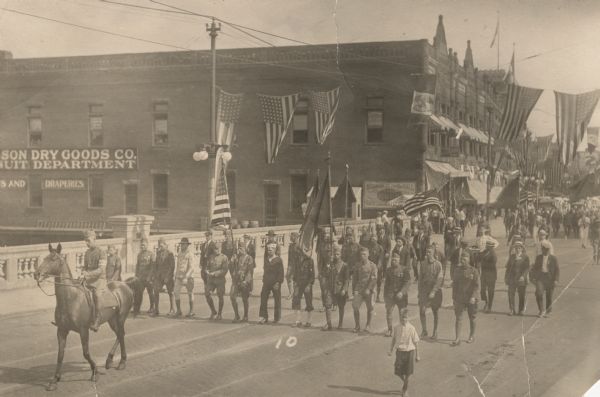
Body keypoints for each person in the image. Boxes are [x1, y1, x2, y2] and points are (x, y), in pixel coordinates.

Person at [388, 308, 420, 397]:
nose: (403, 319)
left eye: (405, 318)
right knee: (398, 371)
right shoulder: (397, 327)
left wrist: (418, 355)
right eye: (402, 318)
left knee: (408, 372)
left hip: (409, 351)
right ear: (400, 317)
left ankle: (405, 389)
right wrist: (390, 350)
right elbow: (394, 339)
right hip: (399, 351)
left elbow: (416, 342)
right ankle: (406, 383)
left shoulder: (412, 328)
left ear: (408, 318)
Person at [451, 246, 479, 345]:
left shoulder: (474, 271)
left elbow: (476, 286)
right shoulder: (457, 270)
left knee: (472, 317)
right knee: (458, 317)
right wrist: (453, 298)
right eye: (462, 258)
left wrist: (473, 297)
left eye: (465, 258)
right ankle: (457, 338)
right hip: (460, 297)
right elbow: (454, 285)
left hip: (471, 298)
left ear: (469, 259)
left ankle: (471, 336)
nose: (463, 260)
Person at [82, 230, 107, 332]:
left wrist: (88, 274)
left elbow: (101, 270)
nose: (87, 243)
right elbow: (85, 267)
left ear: (94, 239)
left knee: (97, 295)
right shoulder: (87, 253)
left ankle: (97, 318)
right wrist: (82, 272)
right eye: (86, 241)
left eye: (88, 241)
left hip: (99, 280)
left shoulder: (101, 252)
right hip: (88, 279)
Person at [321, 244, 350, 330]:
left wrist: (344, 289)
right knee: (327, 305)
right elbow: (325, 275)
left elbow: (347, 279)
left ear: (340, 254)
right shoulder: (330, 264)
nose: (336, 256)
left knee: (341, 306)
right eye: (335, 254)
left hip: (340, 289)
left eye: (338, 254)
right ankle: (329, 324)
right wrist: (327, 266)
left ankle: (340, 323)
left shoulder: (345, 265)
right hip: (330, 288)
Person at [418, 245, 443, 339]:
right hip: (424, 291)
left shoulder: (438, 264)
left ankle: (435, 331)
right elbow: (420, 279)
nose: (428, 254)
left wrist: (433, 291)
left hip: (435, 292)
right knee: (422, 311)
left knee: (435, 312)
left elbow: (439, 280)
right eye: (427, 252)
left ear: (433, 253)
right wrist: (419, 292)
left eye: (429, 252)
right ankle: (424, 331)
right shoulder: (423, 264)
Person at [384, 252, 411, 337]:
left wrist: (402, 292)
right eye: (393, 259)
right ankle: (389, 329)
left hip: (401, 296)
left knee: (402, 313)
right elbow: (386, 284)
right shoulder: (388, 270)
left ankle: (403, 330)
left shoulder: (404, 269)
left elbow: (407, 282)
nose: (394, 261)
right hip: (390, 295)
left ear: (399, 260)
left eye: (396, 259)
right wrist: (385, 296)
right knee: (389, 312)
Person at [530, 240, 560, 317]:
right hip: (541, 278)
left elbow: (557, 270)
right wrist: (533, 277)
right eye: (543, 249)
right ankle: (541, 310)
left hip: (550, 279)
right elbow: (535, 268)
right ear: (542, 249)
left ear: (549, 250)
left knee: (549, 296)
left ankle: (548, 311)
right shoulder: (538, 258)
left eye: (547, 250)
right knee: (538, 293)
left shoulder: (554, 258)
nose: (545, 251)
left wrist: (556, 280)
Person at [352, 247, 378, 333]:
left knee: (370, 308)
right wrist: (354, 290)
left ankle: (368, 325)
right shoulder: (357, 265)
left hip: (369, 290)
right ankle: (357, 325)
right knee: (355, 306)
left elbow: (374, 279)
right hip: (359, 289)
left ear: (368, 255)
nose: (362, 256)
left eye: (364, 254)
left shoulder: (372, 266)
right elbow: (354, 279)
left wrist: (369, 289)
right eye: (361, 254)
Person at [229, 240, 255, 322]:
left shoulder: (249, 258)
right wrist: (231, 261)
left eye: (242, 248)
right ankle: (236, 315)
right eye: (239, 248)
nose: (240, 250)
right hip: (236, 280)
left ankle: (246, 315)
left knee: (244, 299)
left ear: (245, 249)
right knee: (232, 296)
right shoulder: (236, 257)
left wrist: (245, 281)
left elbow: (250, 272)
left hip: (245, 281)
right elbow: (231, 268)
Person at [259, 242, 284, 324]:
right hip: (266, 282)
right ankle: (263, 317)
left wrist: (278, 282)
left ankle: (277, 317)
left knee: (277, 299)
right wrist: (264, 279)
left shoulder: (278, 260)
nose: (269, 251)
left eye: (271, 249)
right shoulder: (266, 259)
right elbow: (265, 269)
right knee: (263, 298)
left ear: (274, 250)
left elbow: (281, 273)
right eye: (268, 249)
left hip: (275, 282)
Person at [204, 242, 229, 320]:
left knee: (220, 296)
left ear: (221, 248)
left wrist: (215, 273)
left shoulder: (224, 258)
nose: (216, 250)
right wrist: (207, 271)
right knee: (207, 294)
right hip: (211, 280)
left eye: (218, 249)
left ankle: (219, 313)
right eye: (215, 249)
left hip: (220, 280)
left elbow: (224, 270)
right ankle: (213, 311)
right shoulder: (211, 257)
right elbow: (207, 267)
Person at [504, 241, 529, 316]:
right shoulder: (512, 256)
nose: (517, 249)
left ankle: (521, 310)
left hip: (521, 278)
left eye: (519, 248)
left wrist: (523, 276)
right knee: (510, 294)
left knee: (521, 294)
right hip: (512, 278)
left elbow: (527, 268)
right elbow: (508, 268)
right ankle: (512, 309)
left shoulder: (525, 257)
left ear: (522, 248)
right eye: (516, 248)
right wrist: (506, 277)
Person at [152, 237, 176, 317]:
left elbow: (172, 267)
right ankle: (156, 310)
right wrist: (155, 275)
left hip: (167, 276)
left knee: (170, 292)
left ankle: (172, 309)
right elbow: (155, 265)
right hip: (159, 276)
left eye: (162, 245)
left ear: (166, 245)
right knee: (155, 291)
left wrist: (168, 277)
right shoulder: (158, 253)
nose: (160, 247)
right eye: (159, 245)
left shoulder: (170, 254)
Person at [292, 249, 315, 327]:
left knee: (309, 302)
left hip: (306, 283)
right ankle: (298, 321)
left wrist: (309, 285)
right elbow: (295, 272)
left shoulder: (310, 260)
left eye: (306, 250)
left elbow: (312, 275)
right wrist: (294, 282)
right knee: (296, 301)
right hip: (298, 283)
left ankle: (309, 321)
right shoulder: (296, 260)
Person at [133, 238, 156, 316]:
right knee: (138, 293)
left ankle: (152, 307)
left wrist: (149, 276)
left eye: (143, 245)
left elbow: (153, 267)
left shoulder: (151, 254)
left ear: (147, 245)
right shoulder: (139, 254)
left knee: (151, 293)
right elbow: (137, 266)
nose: (142, 246)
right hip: (140, 277)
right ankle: (137, 308)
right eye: (141, 245)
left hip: (148, 278)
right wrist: (136, 276)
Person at [173, 237, 195, 318]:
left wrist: (186, 276)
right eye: (181, 244)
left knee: (190, 293)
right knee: (176, 292)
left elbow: (192, 267)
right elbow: (178, 265)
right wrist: (175, 275)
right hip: (179, 276)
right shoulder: (179, 253)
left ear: (187, 245)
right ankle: (178, 310)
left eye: (184, 244)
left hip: (188, 277)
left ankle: (191, 311)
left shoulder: (190, 254)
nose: (182, 246)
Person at [479, 241, 498, 313]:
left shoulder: (493, 254)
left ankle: (489, 306)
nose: (486, 247)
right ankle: (486, 302)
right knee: (482, 290)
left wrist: (483, 263)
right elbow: (479, 257)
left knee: (490, 291)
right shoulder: (484, 252)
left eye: (488, 246)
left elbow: (492, 265)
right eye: (486, 245)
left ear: (491, 247)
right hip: (484, 275)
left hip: (491, 275)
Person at [286, 232, 301, 300]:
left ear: (295, 237)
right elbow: (289, 257)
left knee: (296, 280)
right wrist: (288, 266)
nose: (290, 238)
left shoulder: (300, 245)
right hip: (291, 265)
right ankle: (291, 293)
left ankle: (296, 294)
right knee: (288, 277)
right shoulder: (291, 246)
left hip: (298, 265)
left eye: (291, 236)